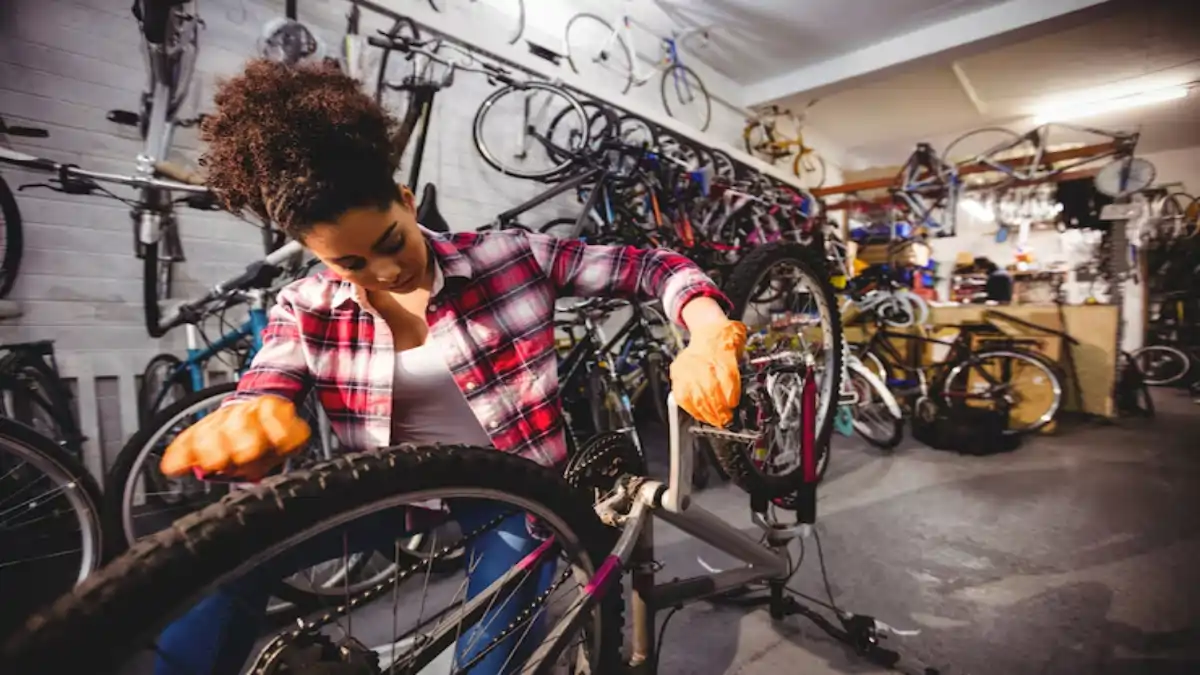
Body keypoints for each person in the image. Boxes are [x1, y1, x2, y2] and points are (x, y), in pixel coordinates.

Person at [151, 60, 745, 675]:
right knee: (225, 558)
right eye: (351, 262)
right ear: (318, 257)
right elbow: (266, 383)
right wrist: (249, 418)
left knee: (492, 647)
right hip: (388, 489)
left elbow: (653, 267)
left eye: (390, 242)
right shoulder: (305, 305)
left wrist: (706, 331)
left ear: (407, 203)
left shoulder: (509, 258)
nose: (384, 272)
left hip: (516, 492)